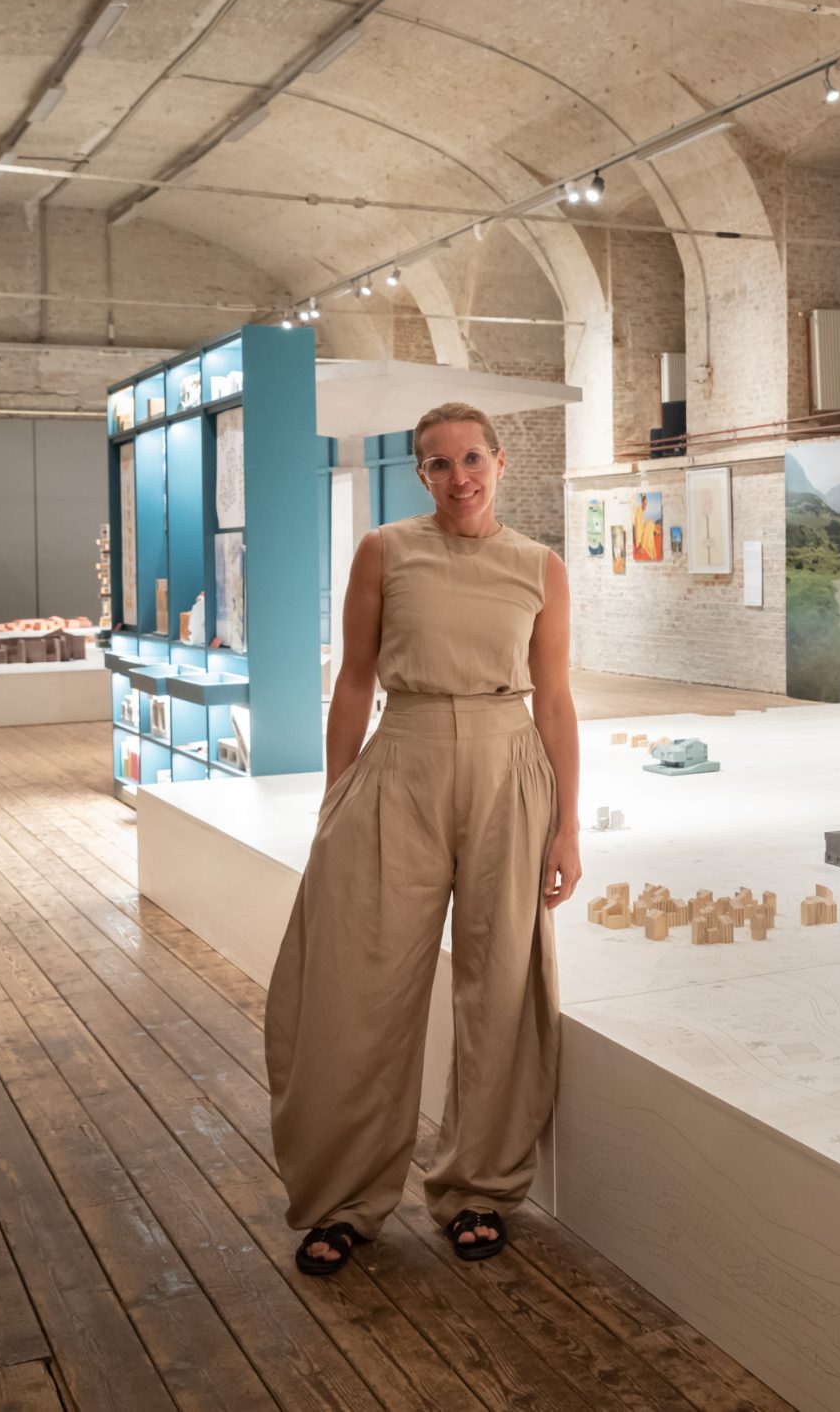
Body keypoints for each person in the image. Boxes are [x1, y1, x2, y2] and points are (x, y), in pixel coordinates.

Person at [263, 401, 582, 1274]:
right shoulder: (385, 552)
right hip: (399, 765)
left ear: (501, 462)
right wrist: (336, 798)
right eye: (437, 464)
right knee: (359, 986)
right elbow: (356, 679)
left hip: (510, 768)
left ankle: (478, 1187)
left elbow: (553, 700)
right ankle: (342, 1201)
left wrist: (567, 827)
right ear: (420, 475)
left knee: (500, 986)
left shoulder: (540, 568)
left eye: (472, 458)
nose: (459, 477)